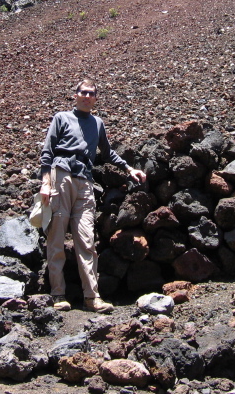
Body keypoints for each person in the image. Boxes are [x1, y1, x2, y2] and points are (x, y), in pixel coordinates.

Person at [39, 79, 146, 313]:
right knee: (56, 236)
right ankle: (58, 294)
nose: (87, 96)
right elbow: (47, 151)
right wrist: (46, 183)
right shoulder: (61, 118)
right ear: (75, 95)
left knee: (86, 240)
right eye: (83, 92)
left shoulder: (97, 123)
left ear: (96, 98)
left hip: (85, 181)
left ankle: (92, 297)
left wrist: (129, 169)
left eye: (91, 93)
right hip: (62, 176)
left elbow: (107, 154)